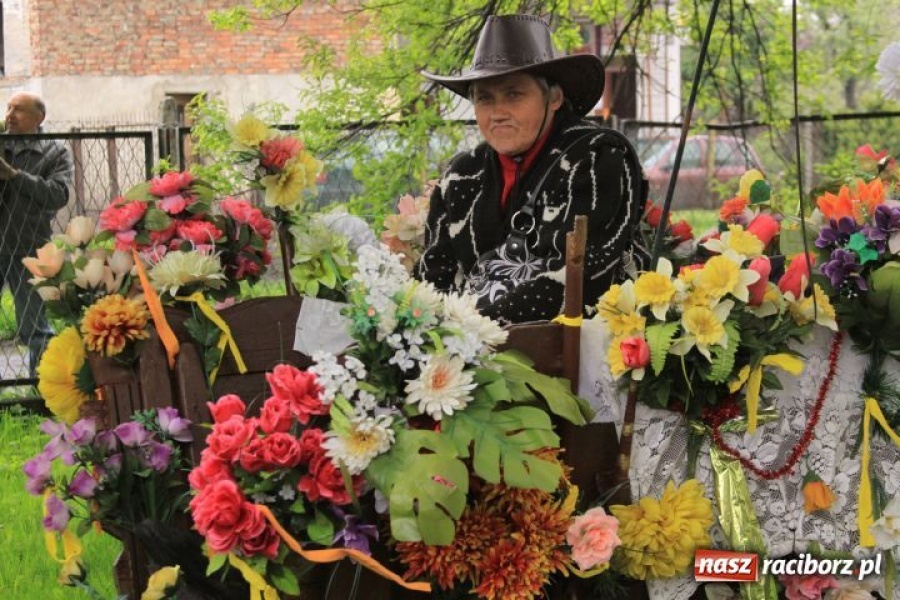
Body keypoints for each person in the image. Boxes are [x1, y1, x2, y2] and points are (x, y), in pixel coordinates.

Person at [417, 14, 648, 323]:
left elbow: (582, 276)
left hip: (574, 347)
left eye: (513, 94)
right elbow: (433, 275)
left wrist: (476, 327)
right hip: (466, 344)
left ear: (553, 97)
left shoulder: (596, 158)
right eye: (485, 98)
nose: (497, 113)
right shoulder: (462, 175)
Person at [0, 92, 73, 378]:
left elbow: (59, 194)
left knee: (35, 328)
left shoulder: (55, 151)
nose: (9, 114)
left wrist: (15, 176)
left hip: (28, 245)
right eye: (8, 108)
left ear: (38, 118)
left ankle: (42, 391)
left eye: (18, 110)